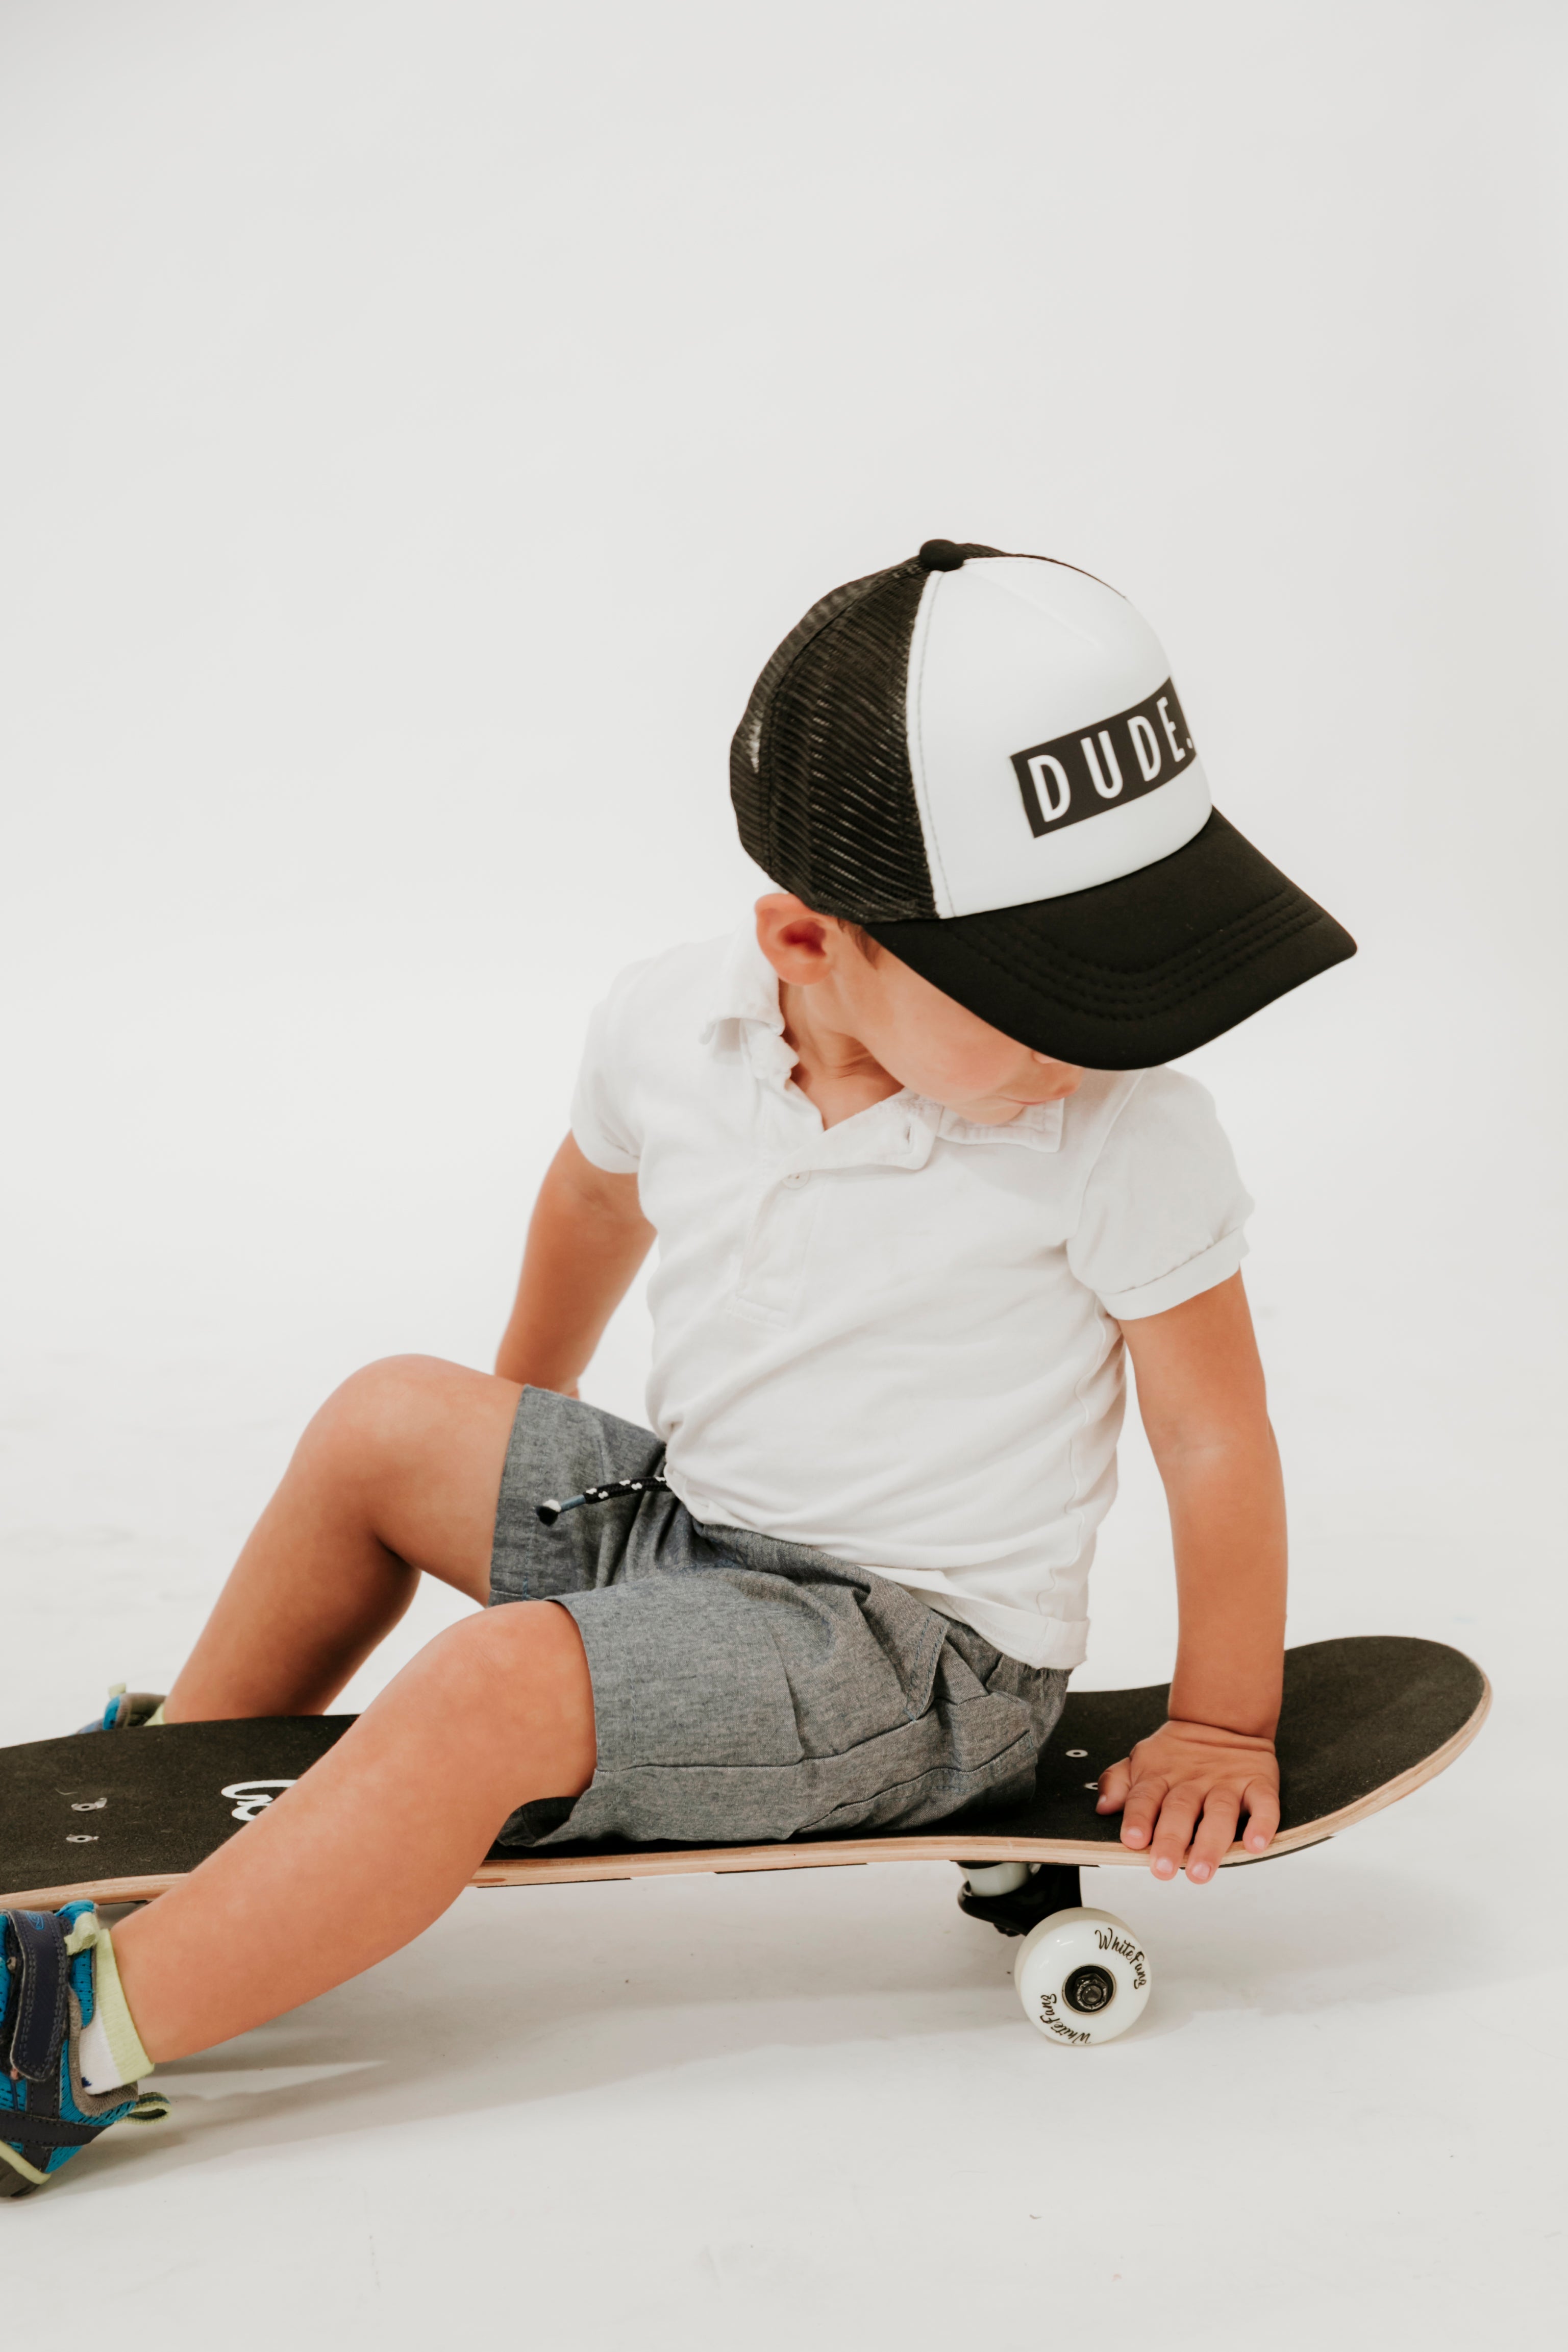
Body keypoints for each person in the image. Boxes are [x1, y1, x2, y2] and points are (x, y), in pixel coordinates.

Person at [1, 539, 1355, 2193]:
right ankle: (158, 1816)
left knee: (491, 1690)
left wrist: (1224, 1721)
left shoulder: (1122, 1131)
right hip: (684, 1530)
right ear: (807, 944)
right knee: (382, 1417)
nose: (1113, 1034)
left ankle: (71, 2043)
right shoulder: (671, 1024)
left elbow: (1214, 1435)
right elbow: (589, 1199)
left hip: (911, 1653)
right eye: (1050, 988)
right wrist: (512, 1438)